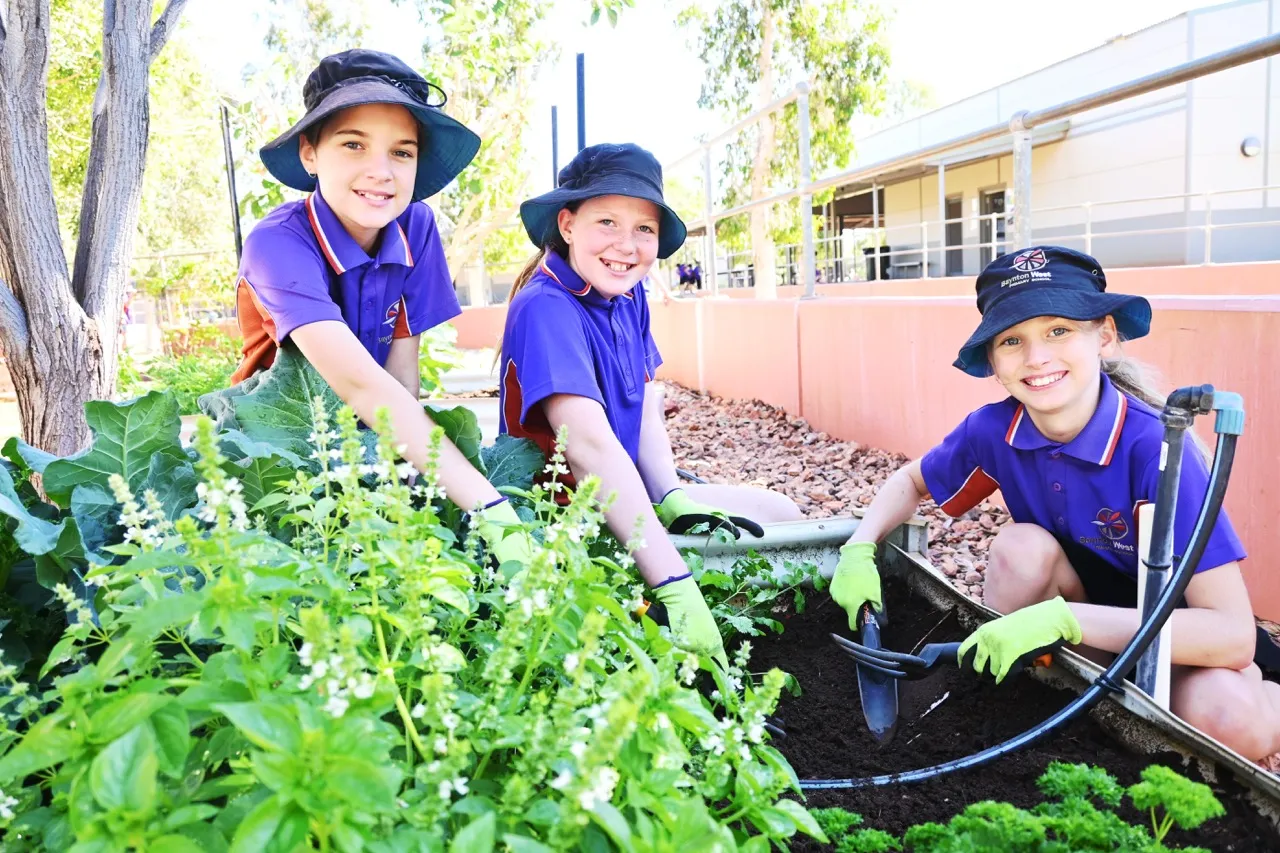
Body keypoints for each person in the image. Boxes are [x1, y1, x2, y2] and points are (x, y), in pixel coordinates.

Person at [829, 246, 1280, 762]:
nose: (1036, 357)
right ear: (993, 362)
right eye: (1012, 340)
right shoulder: (995, 431)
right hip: (1085, 627)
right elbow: (911, 482)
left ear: (1104, 336)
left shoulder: (1155, 450)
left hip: (1180, 641)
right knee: (1021, 548)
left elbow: (1231, 632)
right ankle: (1029, 699)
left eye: (1058, 331)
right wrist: (859, 548)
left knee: (1233, 723)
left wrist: (1066, 621)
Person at [497, 142, 802, 666]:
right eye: (608, 223)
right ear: (567, 225)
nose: (627, 245)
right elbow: (590, 451)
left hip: (630, 491)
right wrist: (677, 585)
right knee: (644, 626)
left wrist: (672, 494)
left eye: (644, 229)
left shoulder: (627, 292)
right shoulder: (545, 308)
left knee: (783, 516)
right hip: (562, 520)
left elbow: (643, 406)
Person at [229, 48, 531, 566]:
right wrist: (494, 511)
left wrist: (400, 479)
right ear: (309, 153)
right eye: (353, 144)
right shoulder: (276, 243)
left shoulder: (418, 226)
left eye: (402, 152)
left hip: (373, 433)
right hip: (279, 449)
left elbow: (401, 376)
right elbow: (359, 384)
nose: (381, 172)